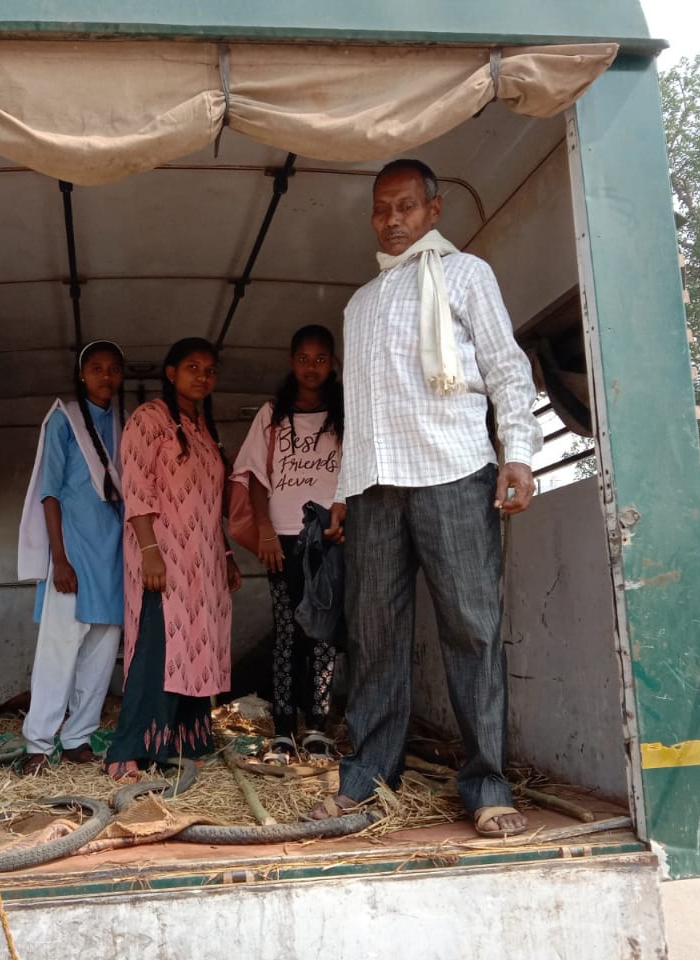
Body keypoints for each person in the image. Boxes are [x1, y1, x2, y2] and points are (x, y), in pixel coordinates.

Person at [309, 159, 543, 838]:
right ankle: (368, 779)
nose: (392, 219)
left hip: (454, 472)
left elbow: (506, 368)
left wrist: (520, 453)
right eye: (382, 209)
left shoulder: (469, 275)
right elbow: (363, 409)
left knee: (472, 629)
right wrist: (346, 490)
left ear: (434, 211)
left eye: (406, 206)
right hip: (377, 489)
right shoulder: (359, 303)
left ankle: (486, 785)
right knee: (374, 639)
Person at [104, 338, 243, 781]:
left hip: (202, 563)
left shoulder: (204, 429)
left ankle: (184, 744)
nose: (202, 376)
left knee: (198, 649)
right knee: (157, 649)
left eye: (209, 369)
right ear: (170, 373)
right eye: (192, 367)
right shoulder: (149, 420)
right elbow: (138, 491)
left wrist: (226, 555)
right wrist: (150, 552)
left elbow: (210, 503)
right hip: (161, 555)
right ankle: (128, 752)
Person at [231, 324, 344, 763]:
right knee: (286, 634)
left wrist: (343, 513)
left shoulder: (345, 412)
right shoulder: (273, 413)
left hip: (328, 539)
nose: (310, 367)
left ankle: (316, 728)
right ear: (291, 360)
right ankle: (282, 731)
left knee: (322, 635)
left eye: (320, 359)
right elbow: (256, 476)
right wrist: (263, 530)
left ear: (332, 364)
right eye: (303, 358)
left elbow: (358, 468)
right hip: (280, 539)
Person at [16, 341, 127, 775]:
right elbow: (50, 492)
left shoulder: (123, 424)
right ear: (82, 374)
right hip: (74, 552)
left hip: (112, 555)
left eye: (113, 369)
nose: (106, 375)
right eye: (96, 368)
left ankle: (79, 736)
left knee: (101, 653)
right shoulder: (65, 419)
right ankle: (38, 744)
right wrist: (58, 559)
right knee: (59, 651)